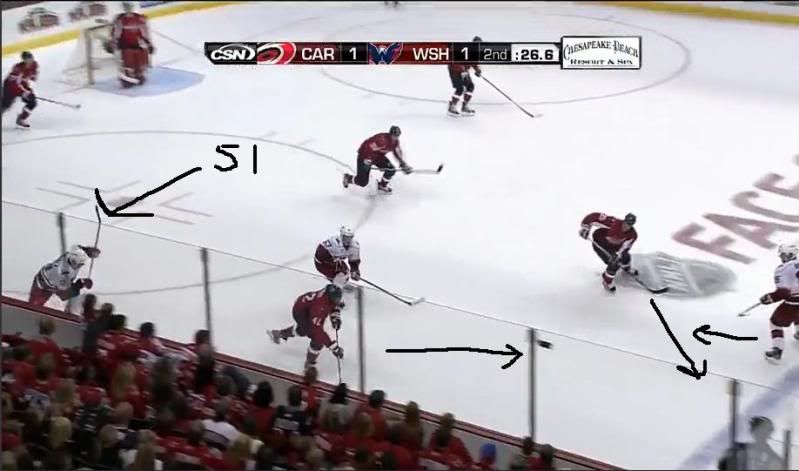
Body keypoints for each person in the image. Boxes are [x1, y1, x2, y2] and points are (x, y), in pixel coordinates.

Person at [270, 284, 345, 370]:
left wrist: (335, 316)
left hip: (307, 307)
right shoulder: (319, 307)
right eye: (336, 299)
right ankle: (310, 364)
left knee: (304, 330)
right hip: (301, 312)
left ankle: (279, 334)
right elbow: (317, 331)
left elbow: (333, 304)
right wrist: (333, 347)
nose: (338, 301)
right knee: (317, 340)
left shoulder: (328, 293)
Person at [343, 126, 412, 194]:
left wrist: (403, 164)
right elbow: (368, 146)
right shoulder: (381, 140)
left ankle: (382, 185)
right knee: (362, 182)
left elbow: (397, 152)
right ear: (390, 134)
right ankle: (348, 178)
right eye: (394, 135)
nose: (396, 137)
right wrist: (367, 158)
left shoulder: (395, 142)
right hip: (364, 156)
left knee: (391, 169)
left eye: (397, 136)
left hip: (378, 157)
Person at [579, 212, 638, 292]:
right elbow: (592, 217)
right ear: (624, 221)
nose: (626, 226)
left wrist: (619, 255)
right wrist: (585, 229)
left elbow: (625, 247)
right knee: (613, 263)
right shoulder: (613, 223)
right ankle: (607, 281)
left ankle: (626, 269)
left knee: (626, 257)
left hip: (614, 248)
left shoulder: (632, 235)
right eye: (626, 223)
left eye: (629, 225)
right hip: (600, 244)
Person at [760, 243, 799, 361]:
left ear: (790, 255)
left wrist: (769, 298)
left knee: (775, 323)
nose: (781, 257)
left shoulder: (783, 269)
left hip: (793, 304)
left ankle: (777, 349)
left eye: (783, 255)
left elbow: (783, 292)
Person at [28, 245, 99, 307]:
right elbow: (64, 294)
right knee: (34, 307)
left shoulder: (69, 255)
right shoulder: (61, 274)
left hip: (47, 278)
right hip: (42, 288)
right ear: (75, 263)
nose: (80, 266)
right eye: (80, 264)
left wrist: (86, 251)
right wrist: (80, 284)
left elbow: (76, 247)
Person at [111, 2, 154, 87]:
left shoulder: (139, 19)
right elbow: (116, 34)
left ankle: (139, 73)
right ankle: (128, 75)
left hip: (137, 44)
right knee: (128, 56)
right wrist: (114, 43)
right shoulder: (120, 20)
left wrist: (149, 44)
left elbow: (144, 33)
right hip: (124, 46)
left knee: (141, 53)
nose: (128, 9)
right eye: (126, 7)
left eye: (129, 6)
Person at [2, 51, 38, 128]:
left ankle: (21, 119)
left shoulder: (34, 65)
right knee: (5, 105)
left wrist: (29, 90)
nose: (30, 61)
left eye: (31, 58)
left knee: (32, 102)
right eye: (27, 59)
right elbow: (13, 84)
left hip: (22, 86)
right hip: (10, 88)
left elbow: (32, 78)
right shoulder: (18, 68)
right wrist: (23, 92)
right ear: (24, 60)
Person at [447, 37, 482, 116]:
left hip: (464, 72)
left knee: (470, 86)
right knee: (460, 89)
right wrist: (461, 68)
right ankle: (452, 106)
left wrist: (477, 70)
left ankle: (465, 106)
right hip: (455, 71)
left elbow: (474, 63)